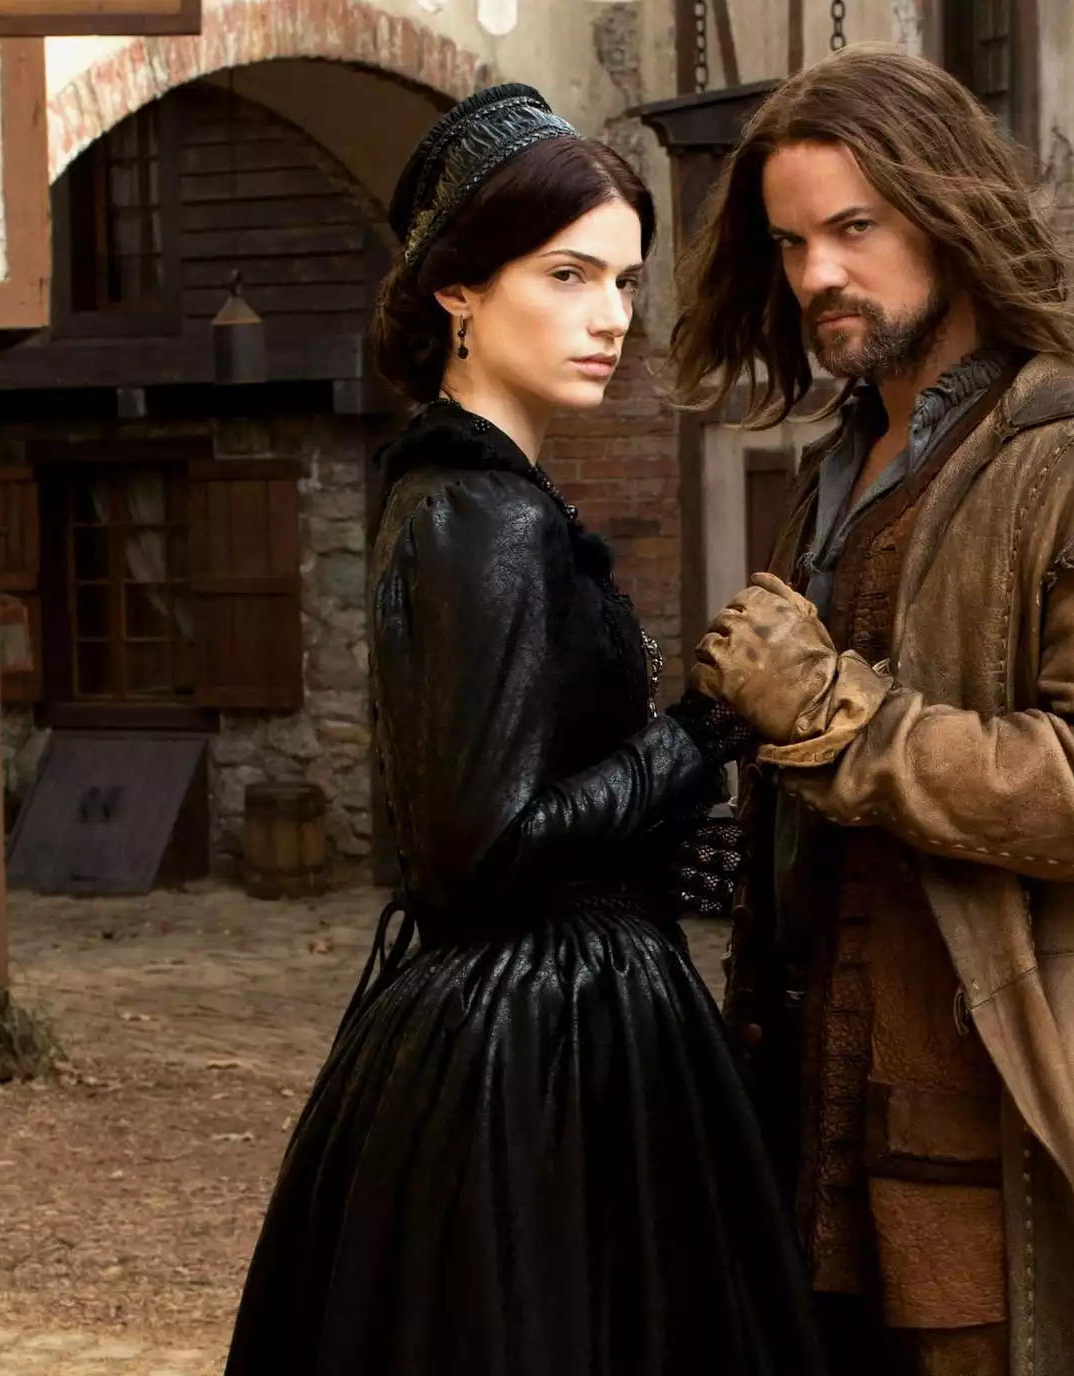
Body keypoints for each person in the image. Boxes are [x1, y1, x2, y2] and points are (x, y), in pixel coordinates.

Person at [224, 85, 826, 1376]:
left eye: (624, 280)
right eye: (567, 274)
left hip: (542, 1013)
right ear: (459, 289)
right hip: (544, 1041)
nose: (612, 317)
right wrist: (700, 735)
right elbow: (479, 850)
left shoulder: (470, 494)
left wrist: (664, 806)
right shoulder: (484, 518)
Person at [668, 44, 1074, 1376]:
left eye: (855, 228)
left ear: (949, 213)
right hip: (808, 1105)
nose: (818, 274)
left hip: (999, 1118)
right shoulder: (835, 471)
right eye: (792, 242)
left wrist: (841, 717)